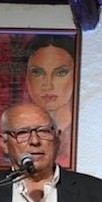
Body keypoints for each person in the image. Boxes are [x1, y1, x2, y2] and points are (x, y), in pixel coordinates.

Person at [22, 35, 76, 168]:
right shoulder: (15, 134)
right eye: (37, 73)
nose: (48, 85)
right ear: (27, 78)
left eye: (61, 73)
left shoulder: (90, 131)